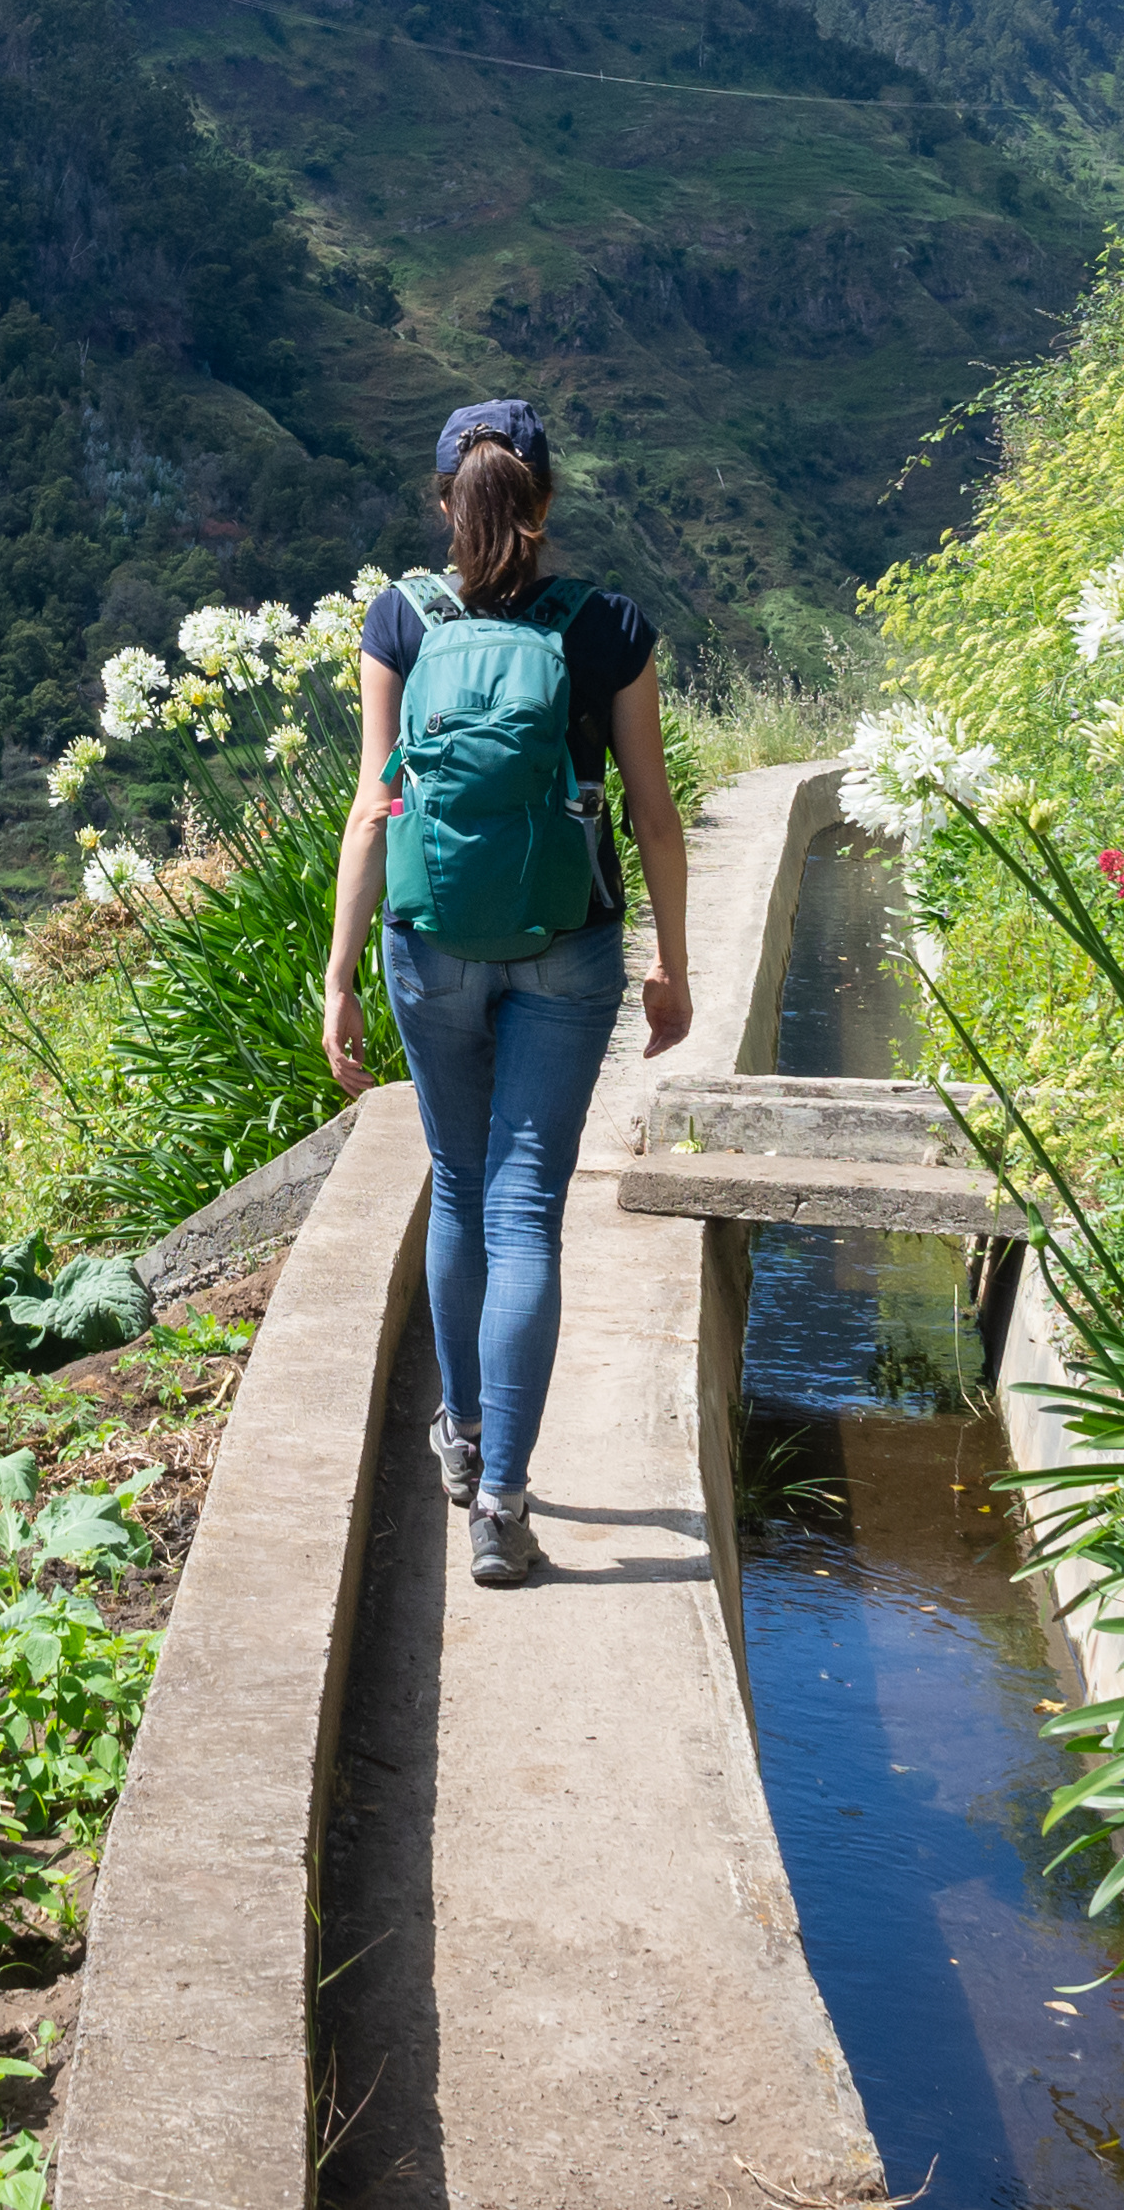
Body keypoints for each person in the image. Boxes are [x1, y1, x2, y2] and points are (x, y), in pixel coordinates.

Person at [316, 394, 687, 1586]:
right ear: (546, 499)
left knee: (462, 1187)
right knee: (529, 1204)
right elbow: (650, 808)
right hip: (567, 941)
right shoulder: (606, 625)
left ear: (444, 503)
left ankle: (459, 1436)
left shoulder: (399, 617)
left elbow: (374, 806)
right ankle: (504, 1500)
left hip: (429, 942)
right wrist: (672, 959)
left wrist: (338, 978)